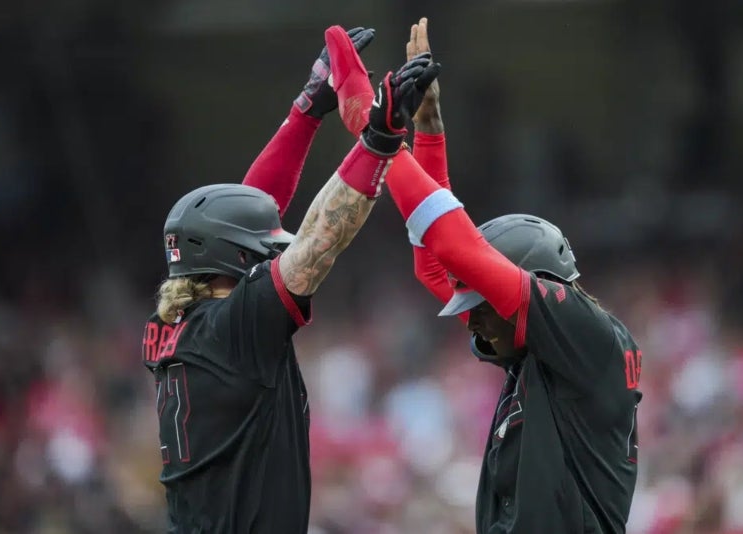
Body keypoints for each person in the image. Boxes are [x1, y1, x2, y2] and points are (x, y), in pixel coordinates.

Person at [141, 25, 441, 533]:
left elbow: (246, 212)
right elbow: (318, 242)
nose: (274, 251)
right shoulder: (235, 328)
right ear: (235, 261)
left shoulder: (182, 322)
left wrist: (306, 112)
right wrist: (378, 141)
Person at [368, 17, 641, 534]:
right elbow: (437, 262)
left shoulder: (589, 337)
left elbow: (452, 245)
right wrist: (429, 133)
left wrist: (373, 130)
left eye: (483, 305)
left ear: (539, 283)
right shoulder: (547, 353)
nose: (472, 323)